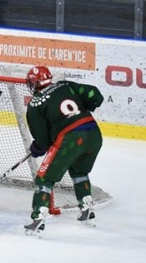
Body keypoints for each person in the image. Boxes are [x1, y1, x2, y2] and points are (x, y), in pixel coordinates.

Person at [23, 65, 104, 236]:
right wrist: (84, 109)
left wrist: (38, 147)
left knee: (44, 179)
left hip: (71, 139)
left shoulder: (35, 103)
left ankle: (38, 219)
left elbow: (43, 140)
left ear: (36, 83)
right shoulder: (66, 85)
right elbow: (95, 95)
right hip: (94, 134)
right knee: (79, 170)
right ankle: (87, 209)